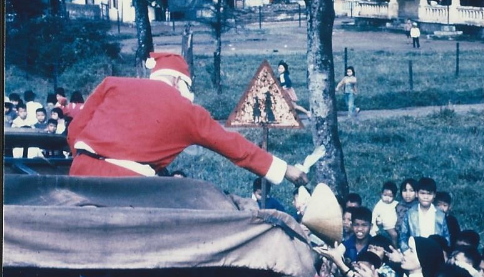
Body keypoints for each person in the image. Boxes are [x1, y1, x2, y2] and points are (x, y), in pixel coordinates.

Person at [67, 52, 307, 186]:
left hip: (81, 173)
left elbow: (75, 129)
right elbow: (236, 147)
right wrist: (286, 170)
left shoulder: (113, 83)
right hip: (131, 186)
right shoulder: (188, 111)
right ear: (180, 82)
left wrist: (83, 161)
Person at [398, 177, 450, 252]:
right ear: (416, 194)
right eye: (422, 193)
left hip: (435, 252)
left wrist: (444, 252)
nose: (425, 197)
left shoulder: (440, 215)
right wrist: (407, 251)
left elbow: (446, 237)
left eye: (429, 194)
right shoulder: (410, 213)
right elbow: (403, 236)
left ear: (434, 195)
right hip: (415, 253)